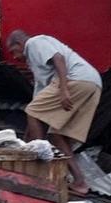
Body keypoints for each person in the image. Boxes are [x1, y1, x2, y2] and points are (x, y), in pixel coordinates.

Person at [6, 30, 102, 193]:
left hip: (76, 79)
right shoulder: (36, 63)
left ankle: (41, 173)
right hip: (92, 83)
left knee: (33, 112)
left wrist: (64, 89)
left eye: (13, 51)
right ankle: (80, 182)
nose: (15, 57)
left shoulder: (35, 43)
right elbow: (38, 102)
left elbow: (59, 59)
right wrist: (29, 130)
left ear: (20, 44)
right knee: (56, 135)